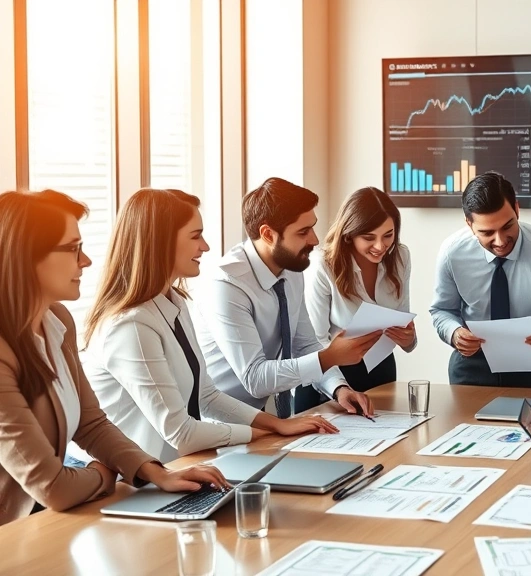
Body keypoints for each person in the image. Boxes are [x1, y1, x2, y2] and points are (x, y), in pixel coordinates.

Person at [0, 190, 228, 527]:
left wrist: (157, 473)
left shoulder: (57, 321)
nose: (86, 261)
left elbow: (91, 425)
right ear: (27, 256)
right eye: (73, 248)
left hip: (48, 518)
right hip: (17, 528)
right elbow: (54, 488)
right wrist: (104, 473)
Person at [83, 189, 338, 463]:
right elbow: (181, 434)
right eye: (195, 236)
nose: (204, 246)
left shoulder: (175, 302)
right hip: (133, 485)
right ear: (160, 243)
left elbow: (206, 396)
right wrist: (259, 434)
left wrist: (277, 425)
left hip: (177, 470)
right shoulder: (130, 326)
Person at [193, 177, 378, 417]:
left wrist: (339, 388)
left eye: (312, 227)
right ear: (268, 234)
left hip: (265, 416)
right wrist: (329, 356)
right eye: (303, 232)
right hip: (221, 424)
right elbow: (255, 377)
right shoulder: (227, 284)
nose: (314, 239)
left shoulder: (291, 270)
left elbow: (305, 344)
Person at [429, 171, 531, 388]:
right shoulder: (452, 253)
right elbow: (442, 311)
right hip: (472, 363)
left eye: (507, 226)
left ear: (517, 209)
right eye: (487, 232)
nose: (500, 241)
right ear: (469, 224)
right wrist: (454, 333)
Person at [305, 187, 415, 392]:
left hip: (381, 368)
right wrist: (338, 388)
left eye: (388, 235)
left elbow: (403, 322)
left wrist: (409, 340)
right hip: (330, 375)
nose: (381, 246)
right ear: (349, 234)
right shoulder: (323, 264)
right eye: (369, 237)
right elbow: (313, 342)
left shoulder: (400, 257)